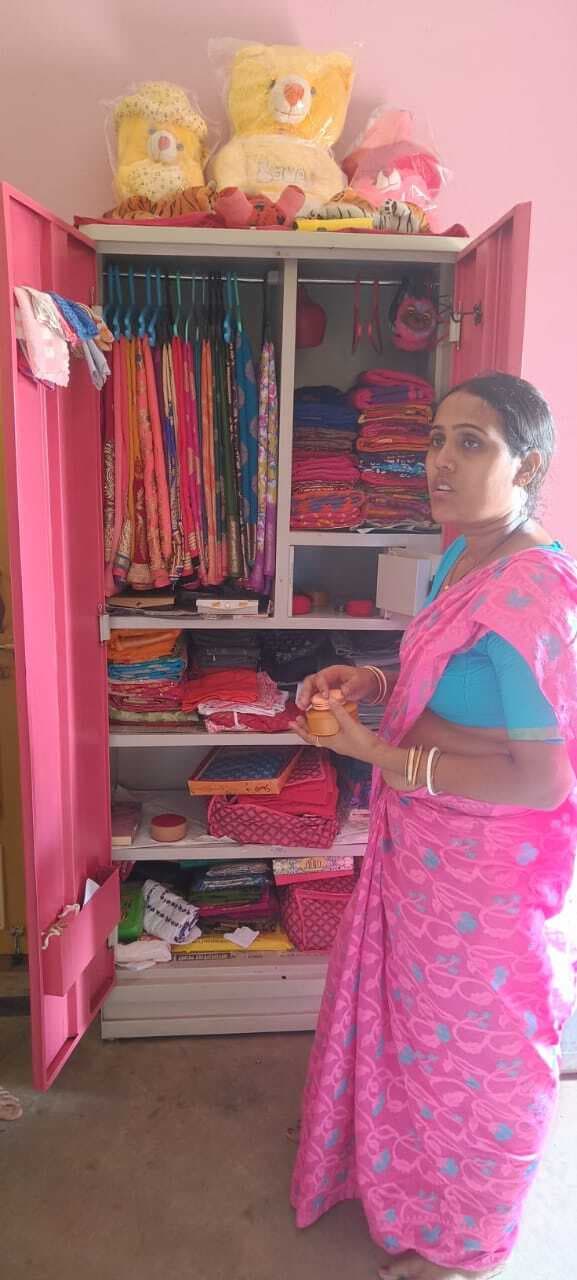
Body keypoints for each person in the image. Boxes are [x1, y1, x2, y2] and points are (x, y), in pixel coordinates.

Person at [290, 373, 577, 1280]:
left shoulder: (533, 594)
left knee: (487, 1057)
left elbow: (541, 779)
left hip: (486, 874)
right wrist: (370, 682)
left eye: (471, 443)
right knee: (424, 1036)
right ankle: (412, 1188)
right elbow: (448, 680)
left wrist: (379, 755)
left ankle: (470, 1245)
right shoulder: (462, 556)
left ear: (526, 464)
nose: (439, 462)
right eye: (435, 439)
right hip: (423, 850)